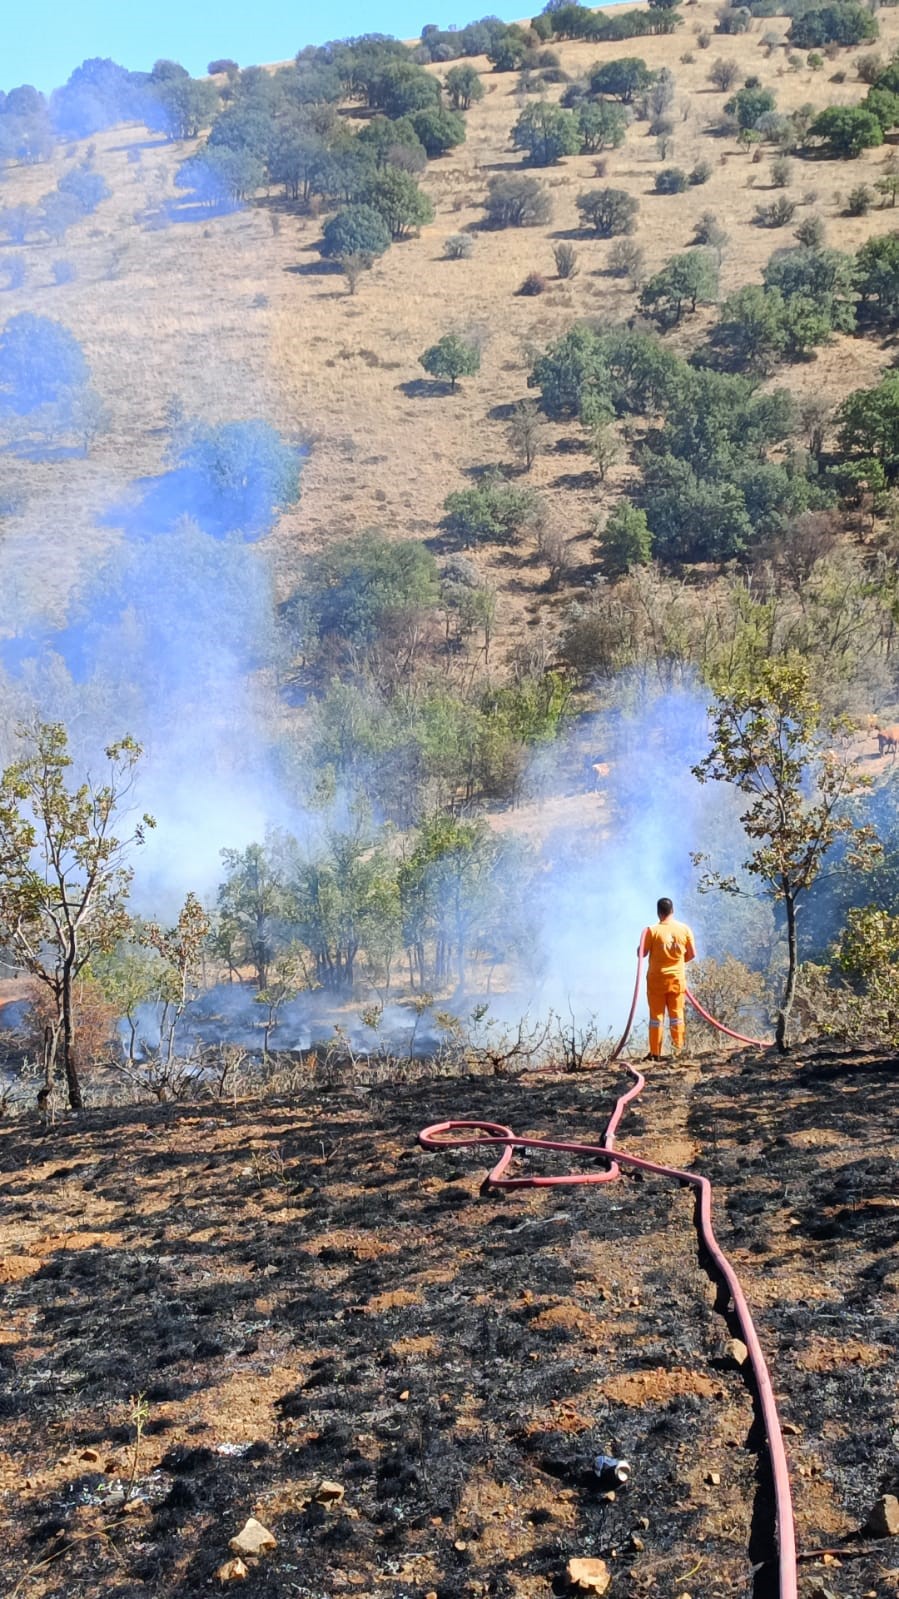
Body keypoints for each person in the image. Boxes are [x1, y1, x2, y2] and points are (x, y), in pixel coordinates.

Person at [640, 897, 696, 1061]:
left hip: (656, 982)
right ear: (672, 910)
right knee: (677, 1016)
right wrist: (677, 963)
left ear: (658, 912)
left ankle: (655, 1054)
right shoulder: (684, 929)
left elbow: (642, 953)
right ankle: (678, 1051)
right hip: (677, 981)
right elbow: (692, 954)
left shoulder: (651, 931)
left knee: (656, 1018)